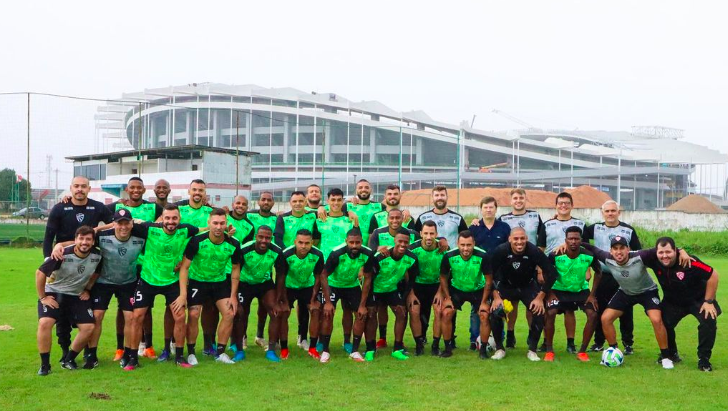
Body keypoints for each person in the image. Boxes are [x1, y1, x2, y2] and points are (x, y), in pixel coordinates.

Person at [579, 236, 692, 369]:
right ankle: (614, 351)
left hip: (647, 291)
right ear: (611, 251)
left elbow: (663, 249)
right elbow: (591, 247)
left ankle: (666, 357)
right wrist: (567, 243)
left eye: (622, 248)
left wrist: (682, 251)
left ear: (628, 249)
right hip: (626, 292)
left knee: (656, 320)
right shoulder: (606, 257)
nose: (619, 252)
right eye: (615, 249)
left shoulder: (640, 255)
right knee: (605, 318)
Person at [44, 176, 113, 362]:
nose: (80, 189)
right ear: (71, 188)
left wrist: (97, 230)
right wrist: (48, 261)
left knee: (92, 314)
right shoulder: (60, 207)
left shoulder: (98, 207)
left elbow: (114, 222)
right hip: (63, 264)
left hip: (89, 266)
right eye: (76, 186)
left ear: (89, 189)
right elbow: (48, 236)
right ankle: (65, 350)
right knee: (62, 315)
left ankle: (91, 353)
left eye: (83, 186)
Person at [124, 204, 200, 370]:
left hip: (171, 281)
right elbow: (123, 225)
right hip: (148, 280)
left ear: (179, 219)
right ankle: (132, 358)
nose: (171, 221)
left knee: (180, 317)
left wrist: (224, 231)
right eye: (167, 218)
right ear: (162, 219)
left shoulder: (186, 229)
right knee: (137, 317)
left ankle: (179, 356)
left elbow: (204, 230)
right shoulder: (149, 228)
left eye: (174, 218)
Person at [107, 177, 163, 361]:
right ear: (127, 189)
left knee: (145, 309)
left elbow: (170, 220)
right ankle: (120, 348)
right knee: (124, 308)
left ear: (144, 189)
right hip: (125, 263)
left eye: (139, 187)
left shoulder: (154, 208)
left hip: (147, 265)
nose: (136, 190)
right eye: (132, 187)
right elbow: (95, 215)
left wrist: (208, 204)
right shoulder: (116, 207)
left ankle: (148, 346)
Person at [36, 226, 102, 375]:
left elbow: (96, 273)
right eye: (81, 239)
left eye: (88, 239)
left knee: (88, 327)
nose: (84, 242)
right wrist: (43, 297)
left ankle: (69, 359)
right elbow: (40, 273)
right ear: (76, 239)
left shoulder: (97, 256)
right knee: (45, 323)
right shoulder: (62, 254)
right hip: (53, 292)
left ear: (93, 242)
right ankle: (45, 365)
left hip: (75, 294)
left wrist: (87, 289)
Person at [647, 237, 720, 371]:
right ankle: (671, 354)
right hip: (673, 302)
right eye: (661, 253)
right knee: (662, 321)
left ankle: (704, 360)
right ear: (656, 253)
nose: (664, 256)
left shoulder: (689, 262)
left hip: (698, 299)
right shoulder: (654, 260)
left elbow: (713, 275)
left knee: (708, 320)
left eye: (668, 252)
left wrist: (709, 301)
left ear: (675, 251)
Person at [180, 208, 242, 365]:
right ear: (209, 223)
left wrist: (233, 295)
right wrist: (183, 293)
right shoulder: (197, 241)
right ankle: (191, 352)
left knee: (229, 313)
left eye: (222, 223)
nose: (219, 227)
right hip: (197, 281)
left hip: (219, 282)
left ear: (226, 224)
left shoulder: (233, 244)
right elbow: (185, 267)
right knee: (193, 314)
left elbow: (235, 269)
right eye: (215, 223)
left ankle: (220, 352)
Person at [87, 209, 146, 369]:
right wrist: (58, 246)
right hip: (103, 282)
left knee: (131, 318)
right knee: (97, 316)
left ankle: (128, 353)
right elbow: (81, 241)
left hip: (128, 282)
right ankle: (91, 354)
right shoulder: (101, 237)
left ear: (132, 223)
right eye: (120, 223)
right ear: (113, 224)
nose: (123, 227)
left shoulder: (141, 239)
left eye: (127, 222)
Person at [489, 227, 557, 362]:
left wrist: (540, 297)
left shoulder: (533, 251)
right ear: (509, 239)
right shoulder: (501, 250)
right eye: (515, 239)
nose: (519, 242)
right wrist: (496, 297)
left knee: (538, 311)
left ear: (526, 238)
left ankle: (532, 350)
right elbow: (488, 273)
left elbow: (552, 273)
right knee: (495, 311)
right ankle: (499, 349)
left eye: (522, 238)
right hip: (506, 286)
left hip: (527, 286)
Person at [583, 200, 640, 354]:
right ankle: (599, 342)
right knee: (600, 308)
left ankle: (628, 343)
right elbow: (580, 240)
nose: (610, 214)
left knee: (626, 310)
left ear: (618, 212)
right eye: (607, 211)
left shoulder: (628, 230)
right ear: (602, 213)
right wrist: (589, 265)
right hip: (603, 275)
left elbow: (638, 252)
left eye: (613, 211)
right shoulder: (595, 228)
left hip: (623, 275)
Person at [360, 230, 420, 360]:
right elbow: (368, 279)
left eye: (406, 242)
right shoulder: (380, 257)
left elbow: (411, 280)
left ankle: (397, 348)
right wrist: (365, 302)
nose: (403, 244)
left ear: (409, 243)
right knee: (371, 314)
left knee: (401, 312)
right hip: (374, 289)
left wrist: (404, 298)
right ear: (394, 241)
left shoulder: (412, 258)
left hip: (392, 289)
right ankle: (370, 349)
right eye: (400, 241)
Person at [544, 226, 602, 362]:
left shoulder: (588, 255)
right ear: (566, 240)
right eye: (570, 239)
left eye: (576, 238)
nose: (573, 241)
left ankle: (582, 351)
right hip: (558, 290)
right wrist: (550, 293)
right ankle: (549, 350)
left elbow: (599, 272)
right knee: (550, 313)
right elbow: (546, 272)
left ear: (581, 240)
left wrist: (592, 294)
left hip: (581, 290)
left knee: (593, 314)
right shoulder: (555, 255)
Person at [537, 192, 585, 353]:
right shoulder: (547, 224)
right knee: (548, 309)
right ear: (555, 205)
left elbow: (586, 250)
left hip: (573, 273)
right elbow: (541, 249)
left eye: (566, 203)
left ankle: (570, 343)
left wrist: (587, 270)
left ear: (572, 205)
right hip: (551, 271)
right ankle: (546, 342)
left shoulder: (581, 224)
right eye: (560, 203)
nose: (563, 206)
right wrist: (539, 270)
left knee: (569, 309)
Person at [496, 188, 544, 349]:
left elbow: (541, 242)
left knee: (531, 305)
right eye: (515, 198)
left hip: (530, 266)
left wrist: (539, 266)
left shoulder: (535, 216)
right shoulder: (503, 218)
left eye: (521, 198)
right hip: (509, 268)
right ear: (511, 201)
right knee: (511, 305)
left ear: (525, 199)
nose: (518, 200)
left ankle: (532, 335)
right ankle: (510, 335)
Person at [319, 229, 375, 363]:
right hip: (334, 284)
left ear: (362, 241)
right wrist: (327, 302)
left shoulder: (367, 254)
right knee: (327, 314)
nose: (354, 245)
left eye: (357, 242)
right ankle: (325, 351)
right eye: (351, 242)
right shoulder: (336, 253)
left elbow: (367, 279)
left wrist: (362, 305)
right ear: (346, 242)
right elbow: (323, 275)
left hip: (352, 285)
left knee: (361, 314)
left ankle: (354, 351)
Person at [237, 226, 288, 362]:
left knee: (276, 312)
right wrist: (234, 296)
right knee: (240, 313)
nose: (264, 240)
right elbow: (235, 272)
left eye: (268, 238)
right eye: (261, 237)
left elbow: (281, 275)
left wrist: (278, 299)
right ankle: (239, 349)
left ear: (271, 238)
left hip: (264, 283)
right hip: (244, 283)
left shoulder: (277, 251)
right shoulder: (244, 249)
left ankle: (271, 350)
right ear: (256, 237)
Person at [439, 231, 493, 359]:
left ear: (474, 244)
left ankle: (483, 350)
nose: (465, 248)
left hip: (478, 290)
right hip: (457, 289)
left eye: (469, 245)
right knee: (446, 313)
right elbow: (443, 277)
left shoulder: (483, 256)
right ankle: (447, 348)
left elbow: (489, 280)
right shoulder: (449, 256)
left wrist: (484, 302)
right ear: (457, 244)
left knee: (484, 315)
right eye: (462, 245)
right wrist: (447, 298)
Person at [468, 196, 510, 350]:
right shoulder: (474, 228)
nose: (488, 210)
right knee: (477, 307)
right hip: (479, 274)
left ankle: (500, 338)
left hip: (500, 273)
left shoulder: (504, 227)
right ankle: (474, 340)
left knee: (499, 307)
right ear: (481, 209)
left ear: (496, 209)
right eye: (485, 207)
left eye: (491, 207)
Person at [277, 230, 325, 359]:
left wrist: (314, 297)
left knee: (315, 310)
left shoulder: (318, 254)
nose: (303, 246)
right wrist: (283, 300)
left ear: (312, 243)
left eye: (307, 243)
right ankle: (284, 349)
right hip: (289, 287)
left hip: (307, 286)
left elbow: (318, 277)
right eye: (300, 243)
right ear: (295, 242)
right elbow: (281, 277)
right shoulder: (286, 254)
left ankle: (313, 348)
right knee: (284, 312)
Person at [245, 191, 278, 350]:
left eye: (269, 199)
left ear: (273, 202)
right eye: (263, 199)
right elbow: (231, 215)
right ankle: (241, 338)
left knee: (265, 307)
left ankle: (259, 336)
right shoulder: (249, 216)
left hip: (265, 269)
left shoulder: (277, 218)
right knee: (242, 309)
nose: (266, 202)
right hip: (248, 267)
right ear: (258, 202)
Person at [409, 221, 447, 356]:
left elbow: (447, 274)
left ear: (436, 234)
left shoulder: (443, 249)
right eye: (426, 233)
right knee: (414, 311)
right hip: (417, 286)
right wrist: (411, 293)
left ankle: (435, 345)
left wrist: (440, 292)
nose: (429, 237)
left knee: (439, 310)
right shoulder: (412, 249)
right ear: (420, 234)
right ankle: (419, 345)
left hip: (437, 285)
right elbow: (406, 274)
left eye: (432, 233)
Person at [226, 195, 255, 359]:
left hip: (238, 271)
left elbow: (245, 250)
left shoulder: (249, 225)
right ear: (232, 204)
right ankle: (213, 342)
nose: (241, 206)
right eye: (238, 203)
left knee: (240, 309)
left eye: (244, 204)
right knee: (218, 308)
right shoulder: (223, 218)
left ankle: (238, 339)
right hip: (220, 270)